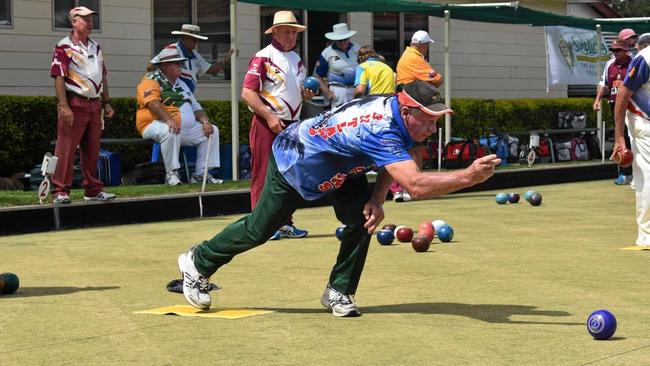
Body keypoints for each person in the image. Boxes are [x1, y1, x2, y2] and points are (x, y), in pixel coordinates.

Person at [177, 80, 501, 317]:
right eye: (428, 119)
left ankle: (339, 290)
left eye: (437, 119)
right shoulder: (380, 128)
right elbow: (414, 185)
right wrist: (468, 177)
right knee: (259, 229)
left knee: (364, 219)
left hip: (343, 163)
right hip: (298, 159)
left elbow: (396, 158)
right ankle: (198, 262)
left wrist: (377, 198)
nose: (433, 127)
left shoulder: (399, 116)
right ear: (406, 110)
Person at [241, 10, 313, 240]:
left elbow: (294, 92)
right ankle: (261, 225)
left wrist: (306, 94)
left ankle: (285, 223)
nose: (292, 36)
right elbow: (247, 92)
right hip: (266, 123)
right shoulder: (263, 56)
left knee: (291, 174)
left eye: (294, 32)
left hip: (291, 125)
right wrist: (269, 116)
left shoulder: (296, 59)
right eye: (288, 32)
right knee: (263, 173)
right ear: (276, 32)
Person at [49, 6, 116, 204]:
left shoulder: (96, 47)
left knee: (93, 149)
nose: (90, 22)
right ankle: (60, 191)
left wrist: (107, 102)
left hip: (94, 104)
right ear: (74, 22)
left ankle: (93, 190)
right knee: (66, 148)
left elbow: (102, 76)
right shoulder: (63, 47)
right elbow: (58, 77)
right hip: (74, 102)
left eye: (91, 19)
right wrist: (63, 106)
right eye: (85, 19)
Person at [136, 46, 221, 186]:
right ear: (164, 66)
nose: (180, 66)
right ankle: (172, 174)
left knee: (212, 131)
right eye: (176, 63)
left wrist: (205, 121)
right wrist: (169, 120)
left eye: (180, 63)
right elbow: (152, 103)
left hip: (181, 128)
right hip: (153, 123)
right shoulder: (150, 79)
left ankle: (201, 174)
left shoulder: (181, 83)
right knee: (170, 131)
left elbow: (195, 107)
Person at [392, 30, 444, 202]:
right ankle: (415, 189)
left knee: (407, 147)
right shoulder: (415, 58)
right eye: (427, 44)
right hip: (415, 106)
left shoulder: (407, 55)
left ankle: (403, 189)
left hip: (405, 105)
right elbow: (438, 79)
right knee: (415, 148)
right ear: (423, 45)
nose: (427, 48)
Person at [612, 43, 650, 248]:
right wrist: (620, 138)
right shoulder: (645, 58)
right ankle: (647, 235)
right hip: (645, 125)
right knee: (647, 178)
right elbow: (623, 95)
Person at [147, 24, 233, 93]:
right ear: (184, 38)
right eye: (194, 40)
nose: (196, 43)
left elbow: (212, 69)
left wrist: (226, 60)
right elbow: (150, 67)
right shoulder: (172, 49)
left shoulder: (195, 55)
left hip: (187, 97)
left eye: (197, 40)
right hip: (173, 97)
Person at [593, 40, 632, 185]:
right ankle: (625, 173)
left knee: (632, 138)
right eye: (613, 50)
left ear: (626, 50)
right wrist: (597, 99)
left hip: (631, 106)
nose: (615, 53)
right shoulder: (609, 64)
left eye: (618, 50)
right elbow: (604, 84)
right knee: (620, 138)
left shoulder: (634, 62)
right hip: (614, 105)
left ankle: (636, 172)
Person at [315, 23, 360, 109]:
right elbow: (318, 76)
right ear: (335, 39)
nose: (343, 42)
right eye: (340, 40)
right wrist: (328, 93)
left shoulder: (357, 48)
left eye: (345, 39)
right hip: (338, 92)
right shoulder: (327, 53)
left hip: (356, 91)